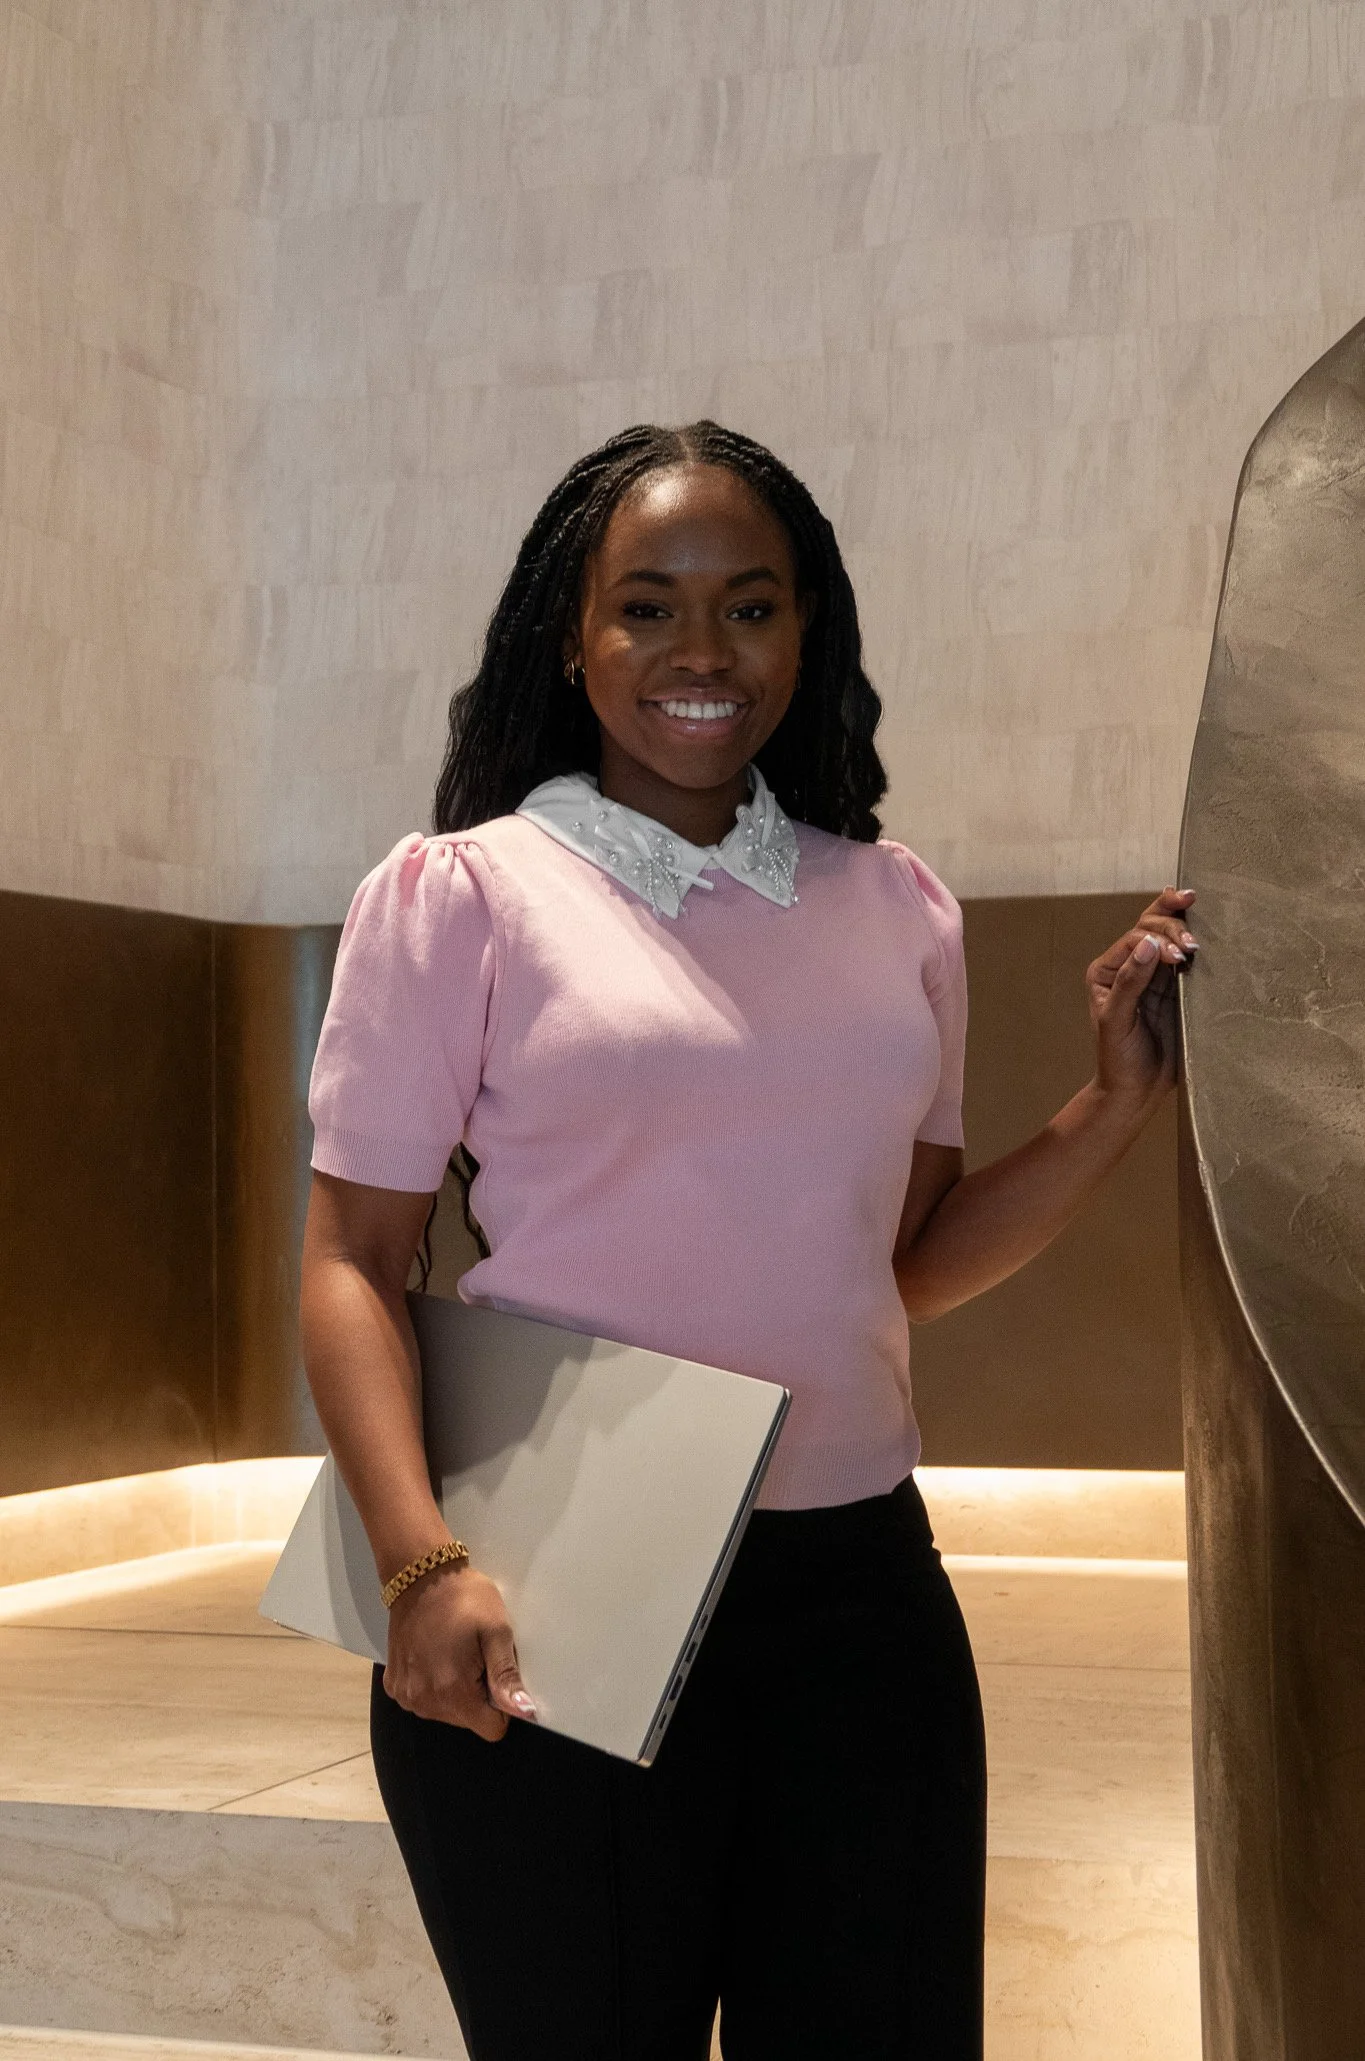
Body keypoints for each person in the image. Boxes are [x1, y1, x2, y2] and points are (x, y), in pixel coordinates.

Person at [299, 421, 1196, 2061]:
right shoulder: (463, 899)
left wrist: (1110, 1107)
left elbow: (903, 1260)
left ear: (809, 634)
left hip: (861, 1596)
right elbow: (352, 1262)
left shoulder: (898, 908)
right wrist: (420, 1559)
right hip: (560, 1591)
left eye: (751, 607)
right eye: (646, 606)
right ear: (571, 641)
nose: (700, 652)